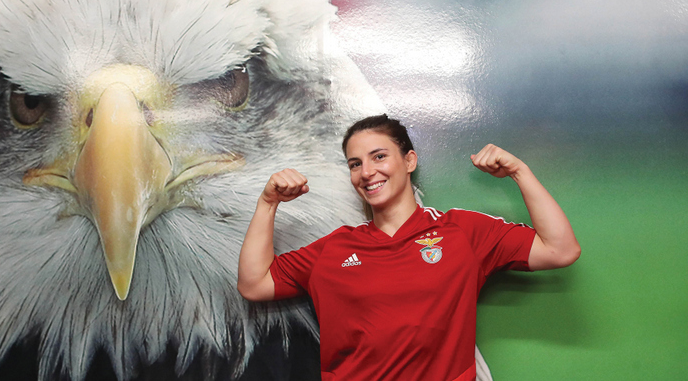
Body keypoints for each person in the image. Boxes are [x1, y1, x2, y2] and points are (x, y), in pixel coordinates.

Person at [237, 114, 580, 381]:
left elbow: (560, 249)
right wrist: (268, 204)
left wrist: (520, 172)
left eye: (379, 156)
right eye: (355, 164)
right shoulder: (335, 248)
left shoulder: (461, 232)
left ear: (409, 161)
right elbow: (254, 283)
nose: (367, 172)